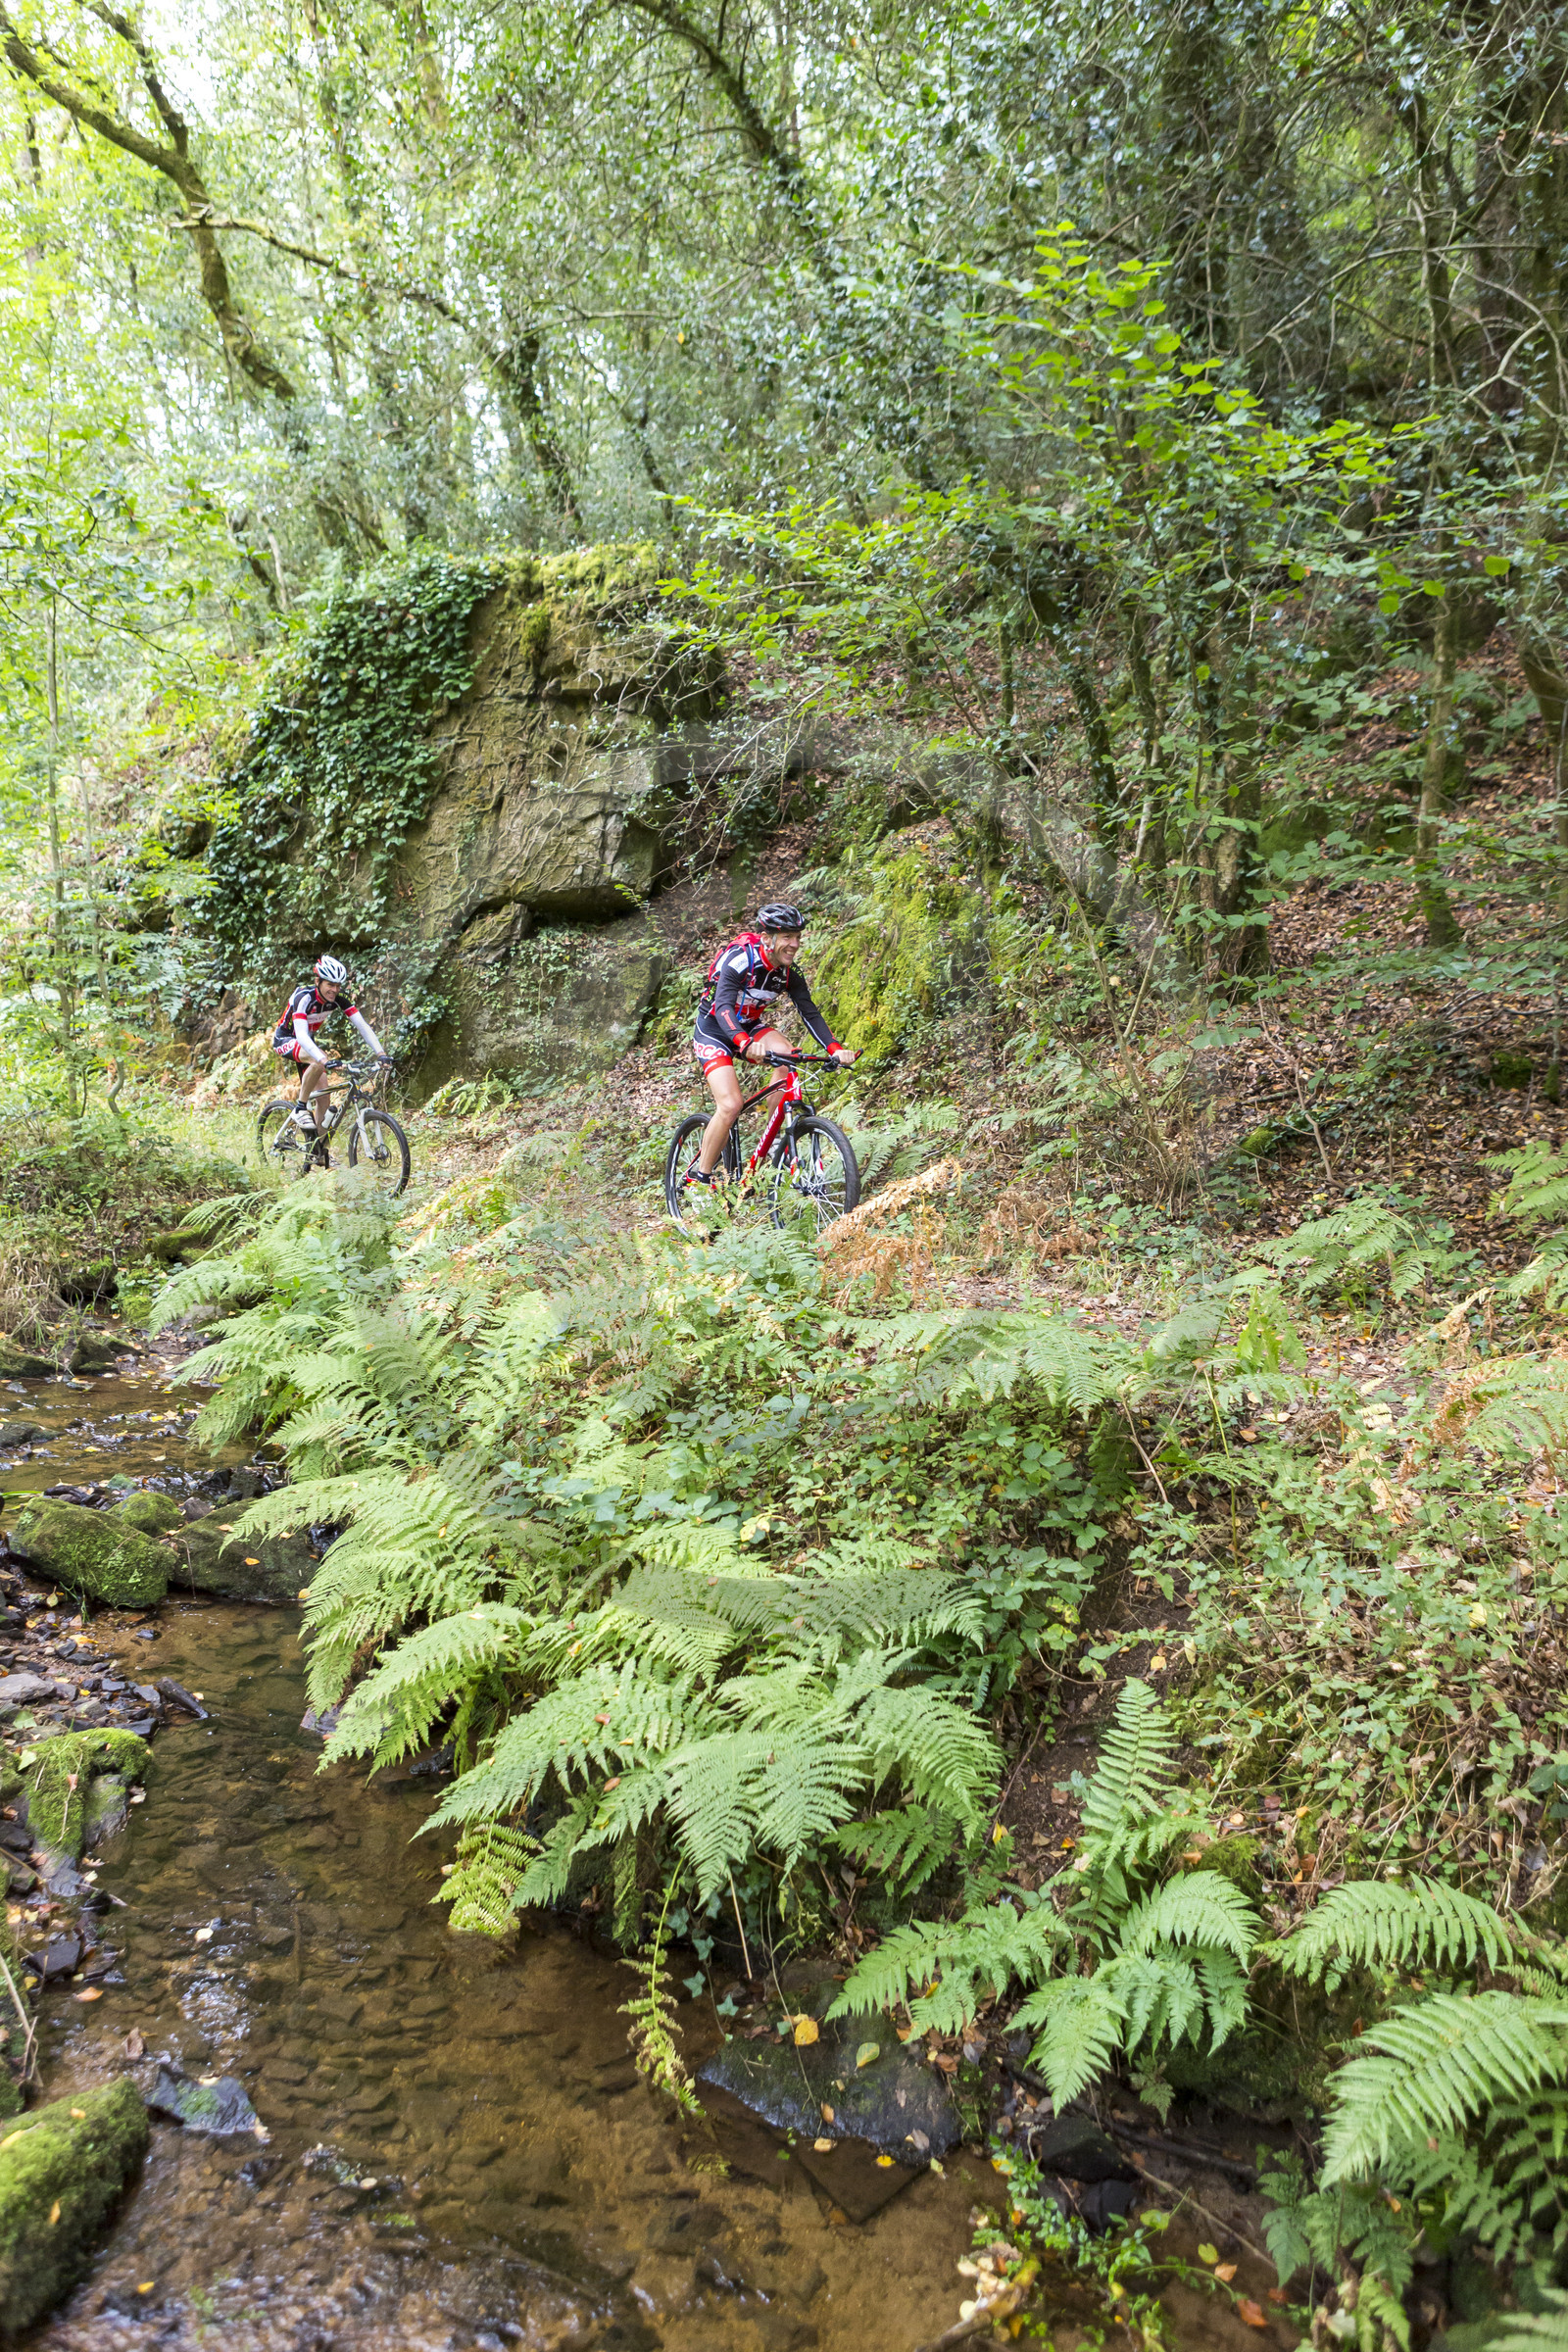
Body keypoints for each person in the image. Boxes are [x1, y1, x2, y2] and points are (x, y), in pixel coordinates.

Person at [686, 904, 857, 1185]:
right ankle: (699, 1177)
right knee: (730, 1105)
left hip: (750, 1027)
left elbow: (808, 1011)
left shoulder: (787, 973)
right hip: (714, 1029)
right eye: (787, 936)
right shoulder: (740, 961)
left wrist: (835, 1049)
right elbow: (723, 1005)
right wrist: (742, 1041)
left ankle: (774, 1138)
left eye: (798, 937)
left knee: (788, 1057)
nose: (795, 944)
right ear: (767, 938)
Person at [271, 956, 391, 1133]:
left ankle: (320, 1151)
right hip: (286, 1040)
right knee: (318, 1059)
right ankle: (300, 1108)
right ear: (318, 981)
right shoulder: (303, 997)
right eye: (330, 984)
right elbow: (302, 1035)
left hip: (308, 1046)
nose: (334, 990)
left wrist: (381, 1053)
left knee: (324, 1099)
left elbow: (363, 1026)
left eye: (338, 986)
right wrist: (323, 1059)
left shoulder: (338, 1000)